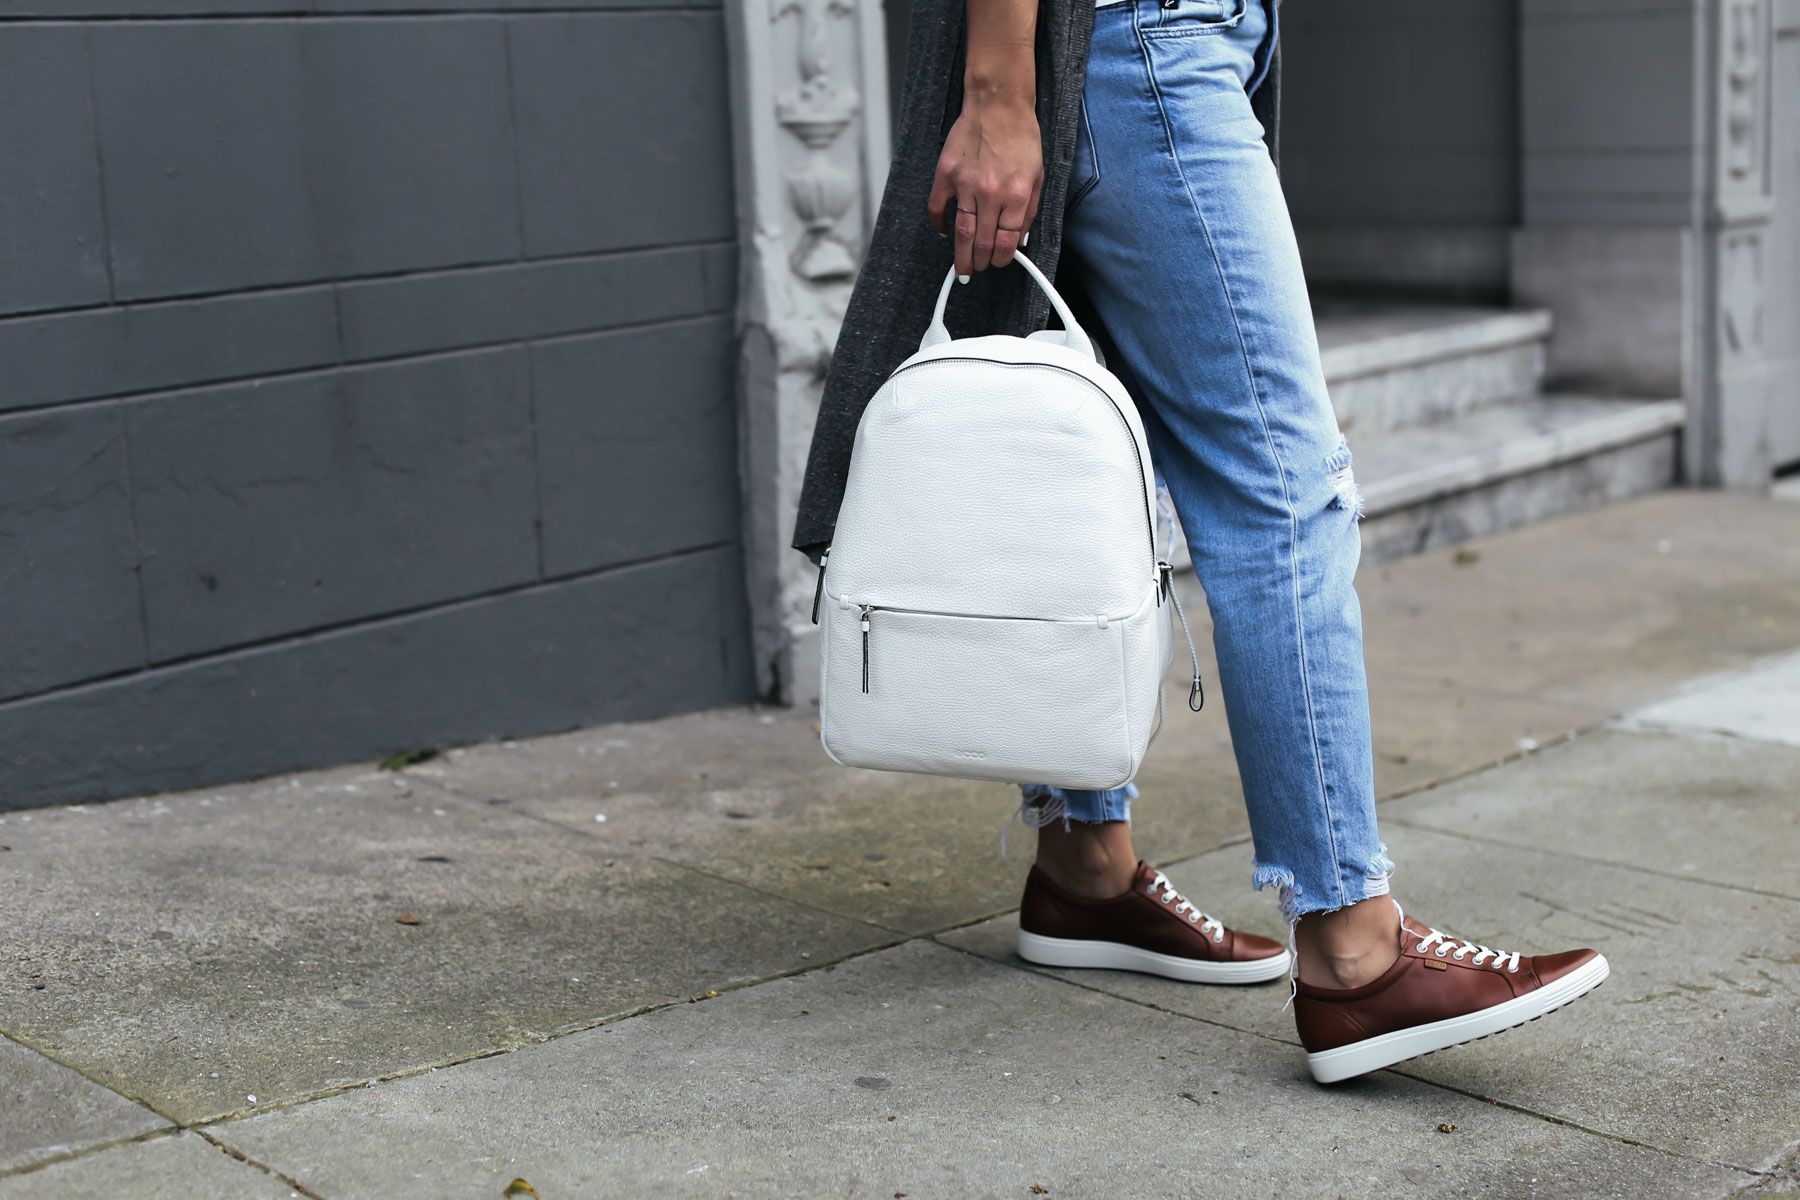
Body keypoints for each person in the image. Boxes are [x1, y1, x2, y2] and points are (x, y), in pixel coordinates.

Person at [798, 0, 1609, 1084]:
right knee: (1281, 489)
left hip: (1142, 42)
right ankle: (1354, 949)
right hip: (1143, 40)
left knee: (1072, 457)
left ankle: (1085, 863)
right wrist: (998, 91)